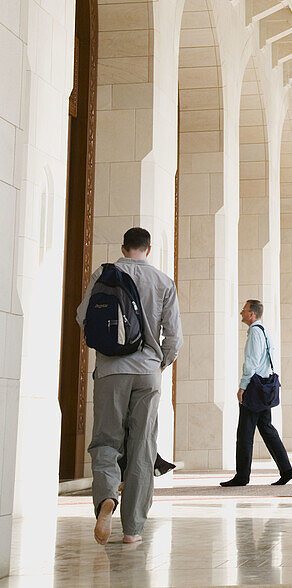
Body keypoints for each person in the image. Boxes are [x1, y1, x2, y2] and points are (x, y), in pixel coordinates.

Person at [76, 227, 182, 546]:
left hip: (111, 370)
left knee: (106, 440)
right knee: (143, 446)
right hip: (148, 371)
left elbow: (83, 317)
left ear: (123, 247)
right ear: (148, 250)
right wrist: (158, 363)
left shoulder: (104, 273)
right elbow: (174, 337)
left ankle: (107, 497)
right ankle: (133, 529)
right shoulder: (163, 281)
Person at [220, 299, 292, 487]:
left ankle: (242, 476)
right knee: (267, 429)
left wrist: (242, 386)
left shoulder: (254, 332)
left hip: (254, 387)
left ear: (252, 314)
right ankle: (286, 470)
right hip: (265, 386)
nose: (241, 313)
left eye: (244, 310)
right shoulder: (265, 331)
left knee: (245, 432)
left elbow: (251, 362)